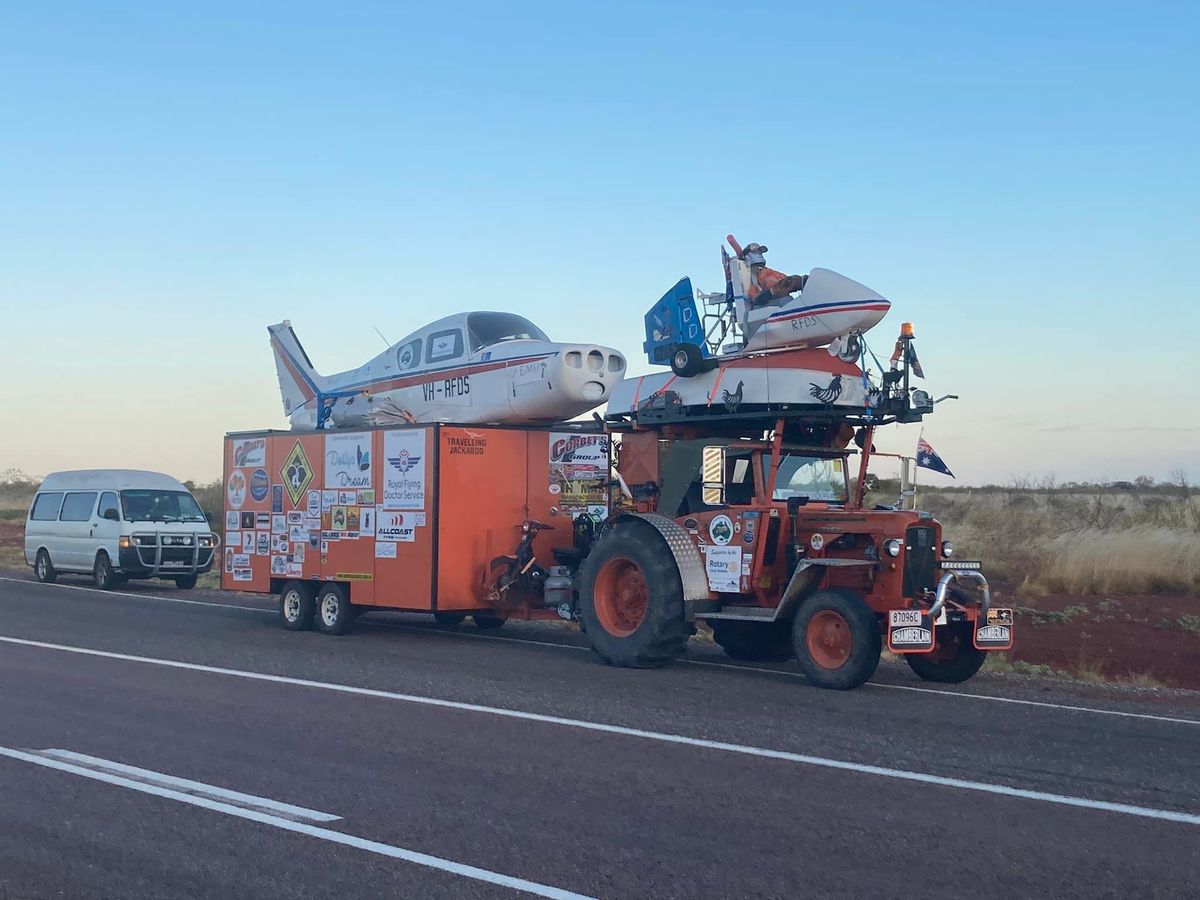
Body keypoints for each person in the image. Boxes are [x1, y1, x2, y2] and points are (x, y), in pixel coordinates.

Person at [740, 242, 808, 306]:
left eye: (760, 253)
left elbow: (787, 280)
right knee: (788, 302)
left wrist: (800, 280)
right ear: (748, 257)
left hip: (782, 297)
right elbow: (757, 298)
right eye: (755, 253)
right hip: (770, 302)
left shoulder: (768, 271)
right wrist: (773, 290)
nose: (759, 255)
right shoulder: (751, 276)